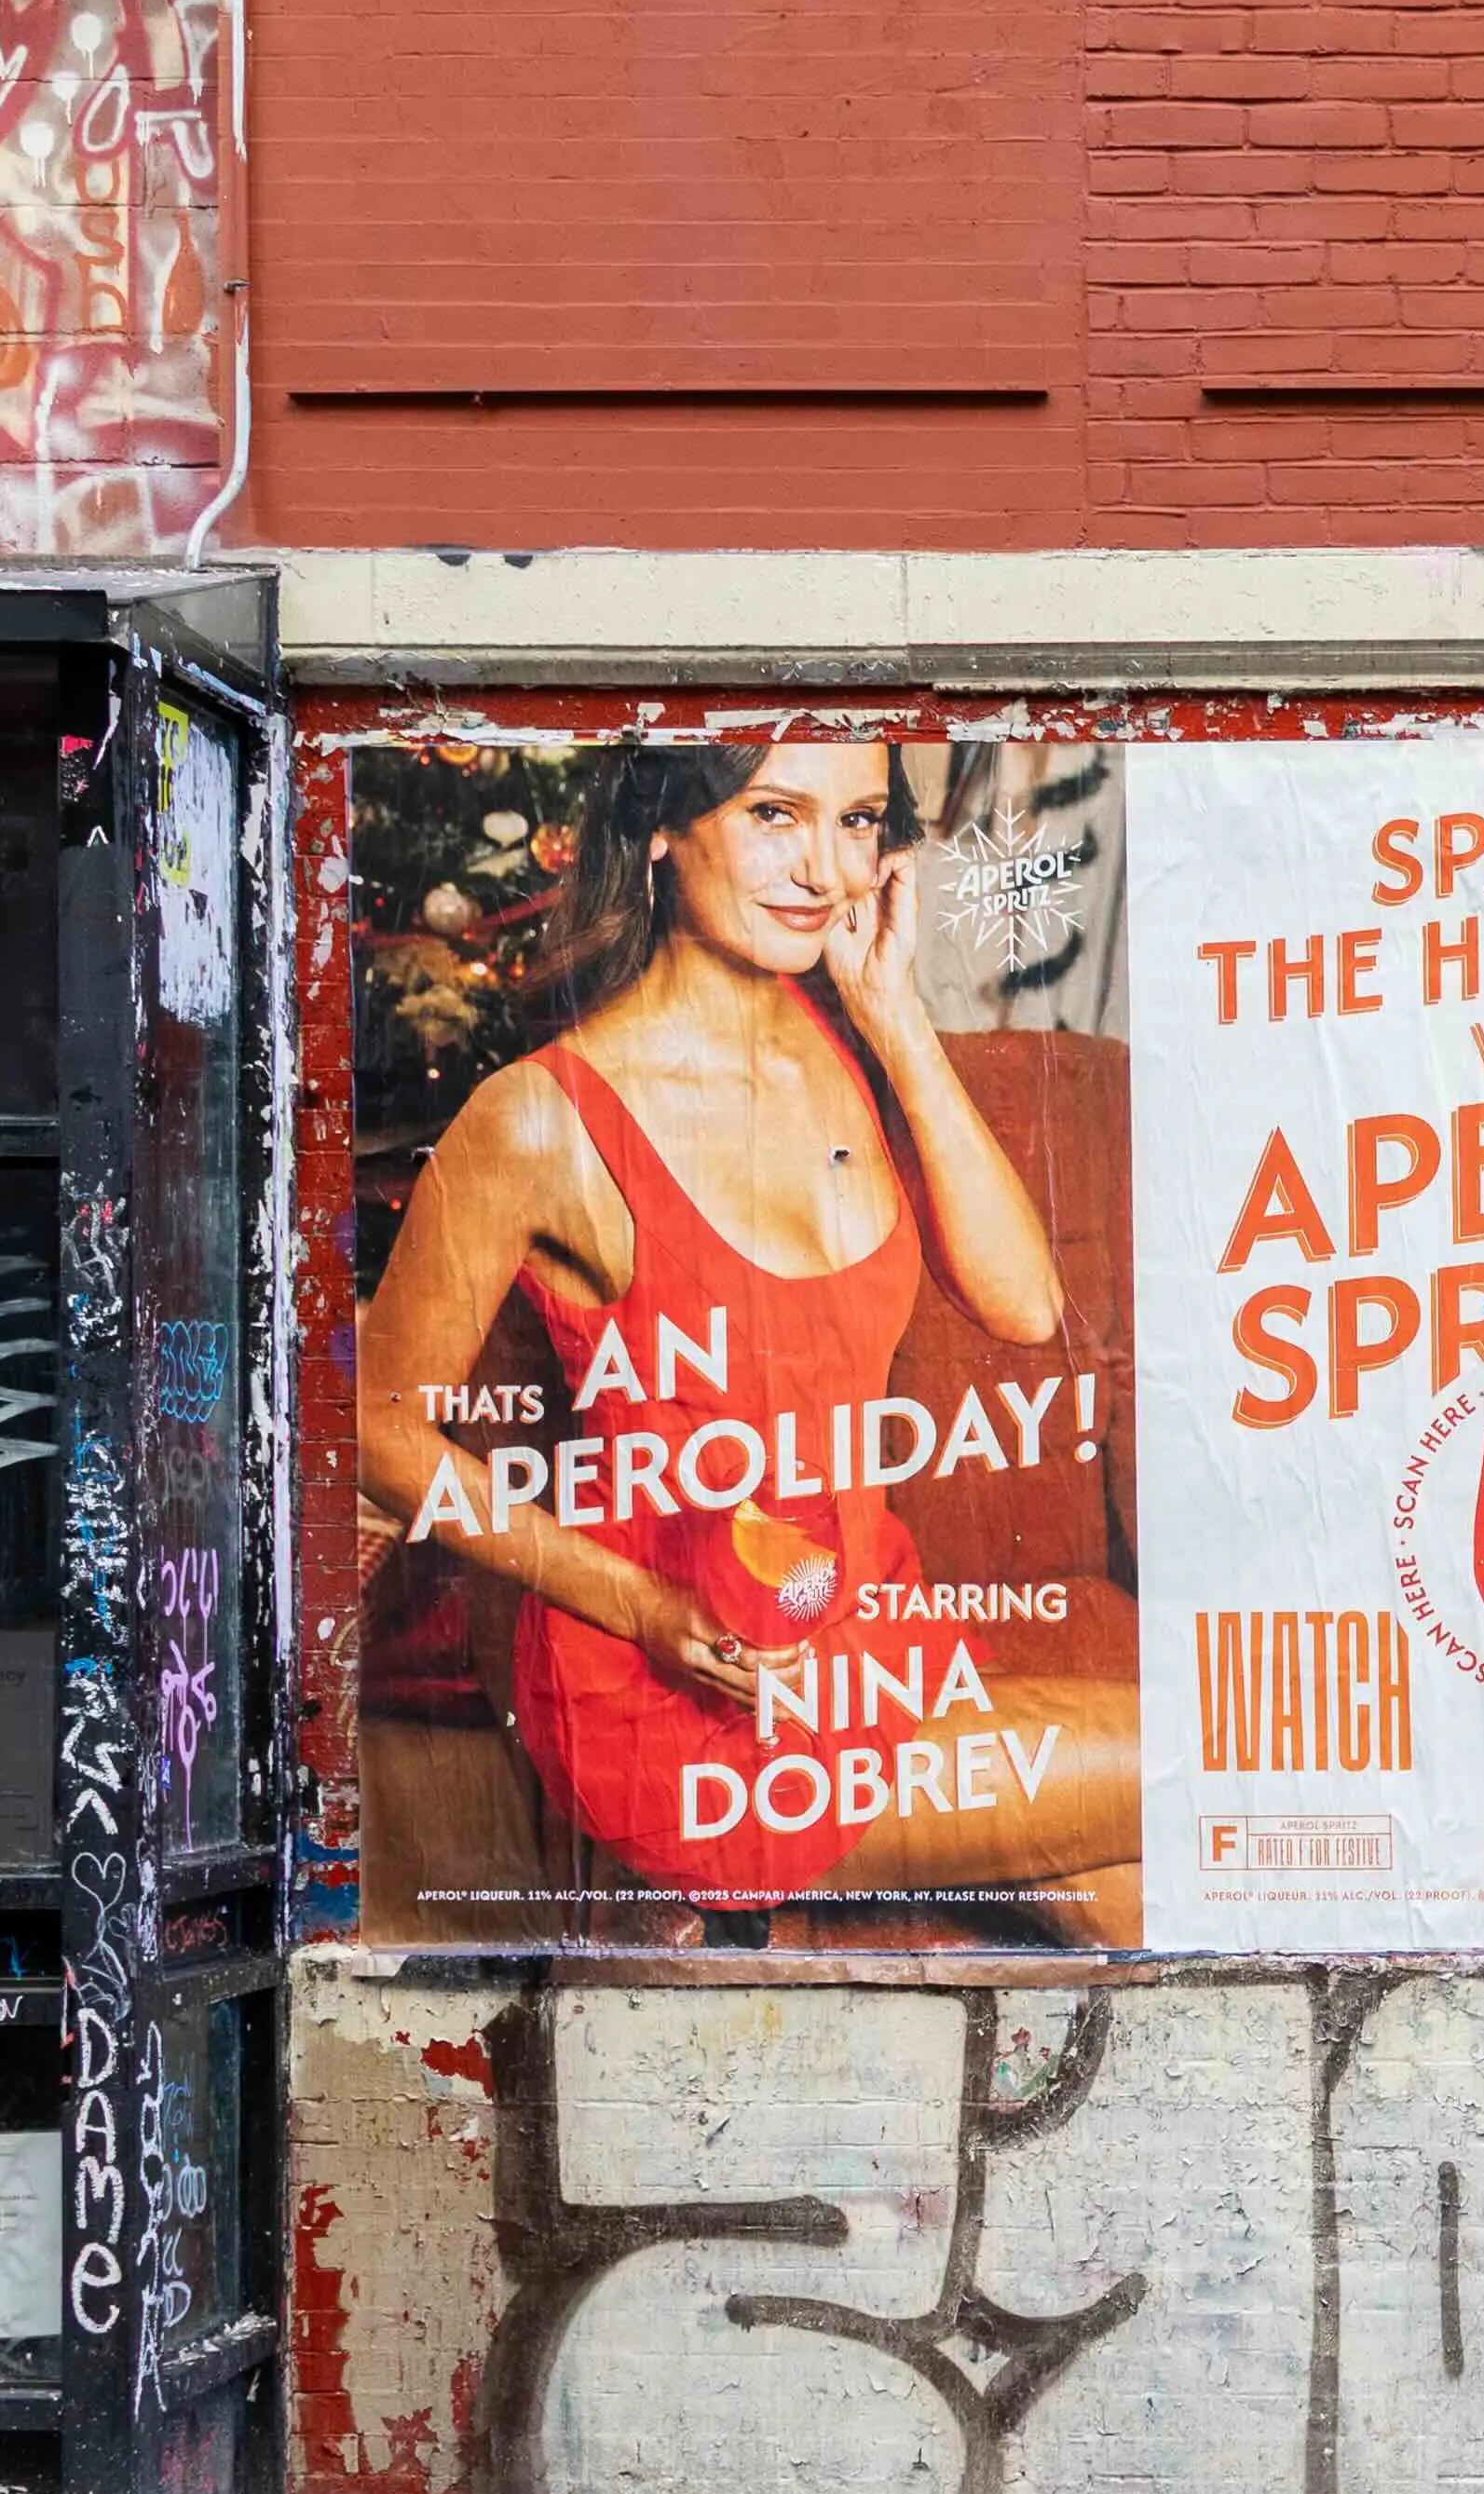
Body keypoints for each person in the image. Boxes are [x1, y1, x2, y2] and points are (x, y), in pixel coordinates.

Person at [357, 740, 1142, 1936]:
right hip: (675, 1694)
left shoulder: (848, 1046)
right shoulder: (538, 1120)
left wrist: (900, 1022)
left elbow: (1025, 1308)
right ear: (663, 826)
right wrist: (641, 1607)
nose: (823, 868)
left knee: (1128, 1901)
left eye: (858, 821)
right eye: (776, 813)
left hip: (866, 1641)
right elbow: (375, 1432)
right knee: (1206, 1764)